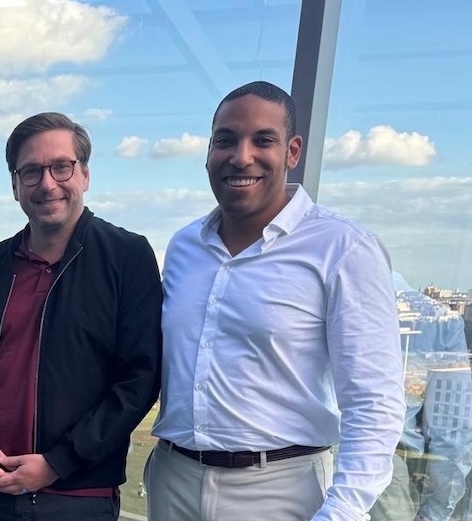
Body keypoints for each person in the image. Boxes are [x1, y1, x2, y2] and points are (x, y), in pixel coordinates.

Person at [147, 81, 406, 520]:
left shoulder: (343, 248)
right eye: (225, 140)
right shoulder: (184, 245)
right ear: (208, 152)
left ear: (293, 151)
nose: (241, 156)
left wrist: (343, 510)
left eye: (262, 140)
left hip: (282, 490)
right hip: (173, 480)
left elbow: (374, 400)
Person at [0, 112, 163, 520]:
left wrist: (58, 462)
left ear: (85, 175)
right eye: (31, 171)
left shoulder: (127, 257)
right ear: (15, 185)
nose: (47, 183)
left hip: (80, 497)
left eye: (61, 167)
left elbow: (139, 380)